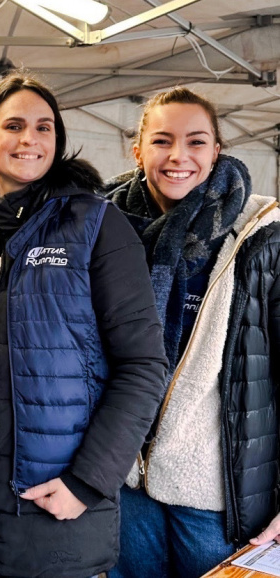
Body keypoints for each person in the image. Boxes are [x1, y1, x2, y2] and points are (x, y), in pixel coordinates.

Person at [0, 71, 169, 578]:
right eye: (15, 125)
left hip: (50, 493)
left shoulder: (97, 225)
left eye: (45, 128)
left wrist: (86, 483)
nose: (30, 139)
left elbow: (144, 366)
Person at [105, 87, 280, 577]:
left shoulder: (261, 234)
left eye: (196, 142)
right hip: (125, 480)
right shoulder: (106, 230)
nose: (178, 156)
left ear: (217, 150)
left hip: (213, 493)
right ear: (137, 151)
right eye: (162, 141)